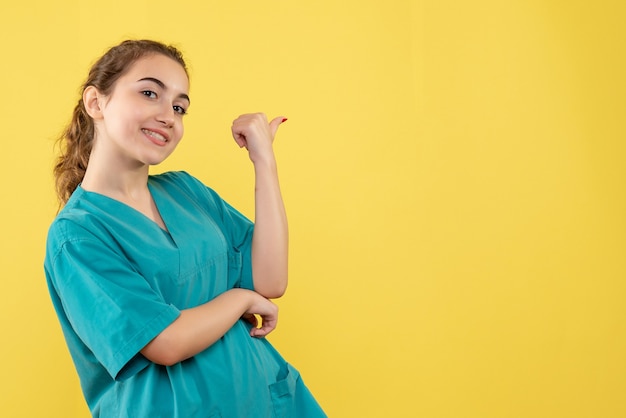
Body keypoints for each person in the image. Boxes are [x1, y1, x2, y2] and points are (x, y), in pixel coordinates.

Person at [44, 39, 326, 418]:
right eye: (149, 93)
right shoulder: (77, 236)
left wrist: (264, 161)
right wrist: (239, 300)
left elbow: (270, 281)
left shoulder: (186, 191)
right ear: (96, 102)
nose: (168, 116)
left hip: (264, 402)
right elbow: (165, 341)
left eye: (179, 107)